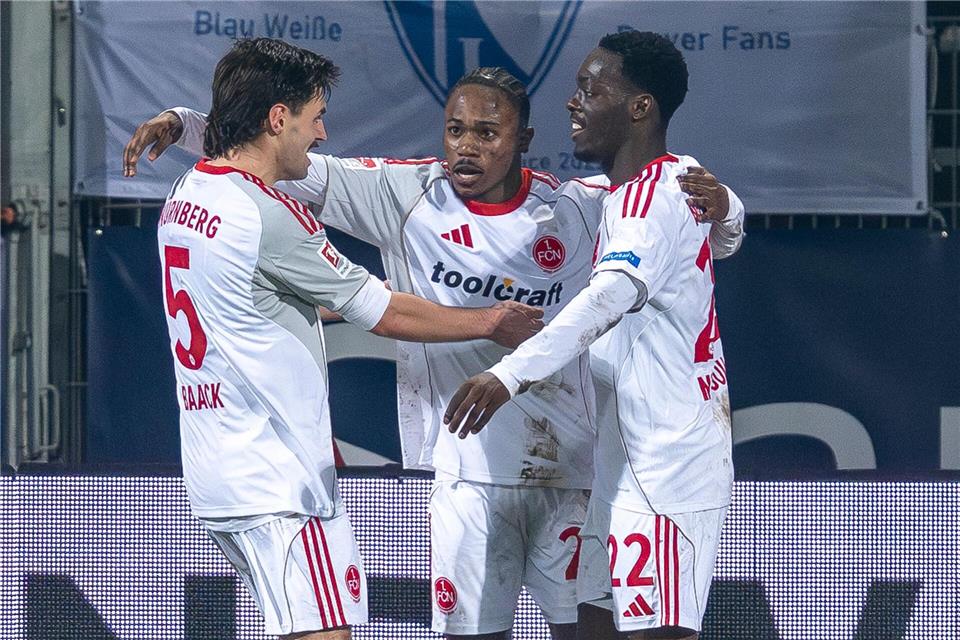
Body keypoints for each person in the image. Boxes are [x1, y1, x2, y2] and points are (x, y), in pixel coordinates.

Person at [125, 64, 742, 640]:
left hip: (569, 474)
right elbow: (274, 152)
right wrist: (185, 123)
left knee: (593, 632)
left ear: (522, 138)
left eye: (487, 132)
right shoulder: (404, 195)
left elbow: (665, 216)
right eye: (456, 130)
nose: (467, 147)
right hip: (465, 475)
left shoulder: (575, 209)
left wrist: (729, 209)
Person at [153, 39, 543, 640]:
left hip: (218, 474)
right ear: (277, 119)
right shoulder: (270, 215)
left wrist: (180, 119)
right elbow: (382, 314)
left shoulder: (190, 196)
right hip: (283, 482)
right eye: (315, 117)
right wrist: (490, 322)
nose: (324, 133)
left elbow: (249, 304)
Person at [444, 32, 734, 640]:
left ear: (639, 108)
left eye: (590, 90)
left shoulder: (649, 200)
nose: (573, 104)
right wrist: (732, 209)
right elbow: (720, 236)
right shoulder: (670, 182)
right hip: (617, 468)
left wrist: (508, 373)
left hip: (665, 476)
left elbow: (606, 297)